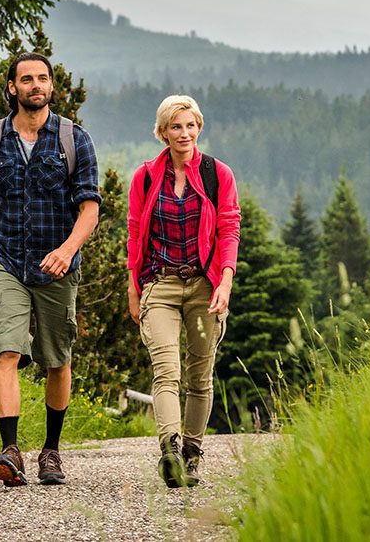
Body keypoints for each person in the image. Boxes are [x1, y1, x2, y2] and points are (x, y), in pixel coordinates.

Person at [0, 52, 101, 487]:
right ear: (12, 88)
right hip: (7, 262)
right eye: (26, 79)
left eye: (42, 78)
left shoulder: (74, 139)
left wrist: (68, 249)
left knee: (57, 360)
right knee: (6, 350)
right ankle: (10, 451)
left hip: (58, 267)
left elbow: (91, 208)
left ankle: (52, 452)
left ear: (52, 88)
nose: (35, 85)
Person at [126, 94, 240, 488]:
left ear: (199, 128)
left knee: (200, 376)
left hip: (205, 285)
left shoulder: (217, 174)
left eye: (190, 125)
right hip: (160, 283)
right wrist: (133, 287)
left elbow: (229, 228)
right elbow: (135, 233)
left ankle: (192, 453)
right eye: (176, 126)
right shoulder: (144, 177)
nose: (184, 133)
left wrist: (225, 279)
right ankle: (170, 449)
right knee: (166, 370)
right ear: (163, 132)